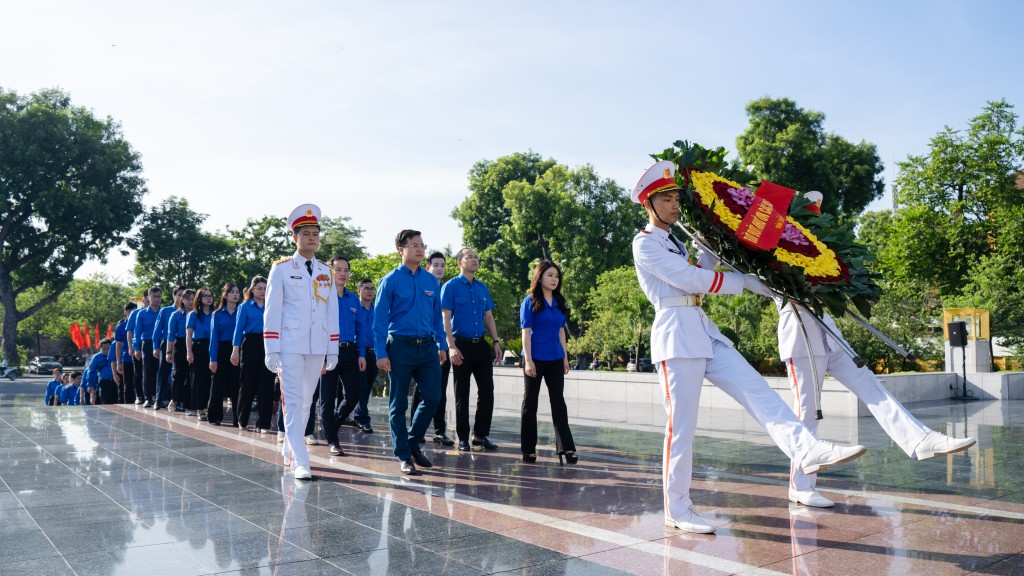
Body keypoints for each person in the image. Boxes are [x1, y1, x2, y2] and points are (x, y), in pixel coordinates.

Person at [630, 159, 867, 534]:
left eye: (677, 196)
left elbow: (704, 266)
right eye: (667, 198)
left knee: (758, 391)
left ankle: (805, 449)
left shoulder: (677, 240)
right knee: (682, 429)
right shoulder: (644, 244)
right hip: (676, 337)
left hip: (703, 331)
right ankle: (678, 509)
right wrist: (744, 282)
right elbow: (690, 278)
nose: (675, 204)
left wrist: (714, 241)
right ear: (649, 202)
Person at [775, 192, 975, 508]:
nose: (815, 221)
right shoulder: (776, 250)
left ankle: (920, 439)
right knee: (807, 413)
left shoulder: (821, 248)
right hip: (800, 337)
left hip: (830, 335)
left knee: (871, 386)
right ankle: (800, 486)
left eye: (816, 216)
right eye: (809, 216)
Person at [264, 204, 340, 481]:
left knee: (307, 401)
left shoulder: (325, 271)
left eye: (315, 233)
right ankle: (301, 460)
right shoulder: (282, 270)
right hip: (289, 344)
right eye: (306, 233)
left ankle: (289, 448)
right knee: (294, 401)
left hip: (317, 345)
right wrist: (271, 348)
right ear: (294, 238)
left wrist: (333, 348)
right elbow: (272, 311)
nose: (311, 238)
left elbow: (332, 311)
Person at [373, 229, 448, 475]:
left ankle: (412, 441)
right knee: (398, 404)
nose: (420, 249)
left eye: (422, 245)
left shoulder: (430, 281)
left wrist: (442, 344)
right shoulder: (390, 281)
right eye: (414, 245)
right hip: (400, 348)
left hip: (427, 347)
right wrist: (380, 352)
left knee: (434, 397)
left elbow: (437, 317)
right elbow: (379, 321)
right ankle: (404, 455)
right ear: (401, 249)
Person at [442, 247, 502, 452]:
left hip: (481, 346)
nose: (474, 260)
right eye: (469, 257)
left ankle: (480, 435)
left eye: (476, 257)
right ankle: (463, 437)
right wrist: (451, 346)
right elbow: (445, 318)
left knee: (487, 391)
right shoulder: (450, 287)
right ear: (459, 262)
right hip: (461, 346)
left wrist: (496, 342)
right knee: (462, 394)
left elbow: (489, 317)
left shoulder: (482, 287)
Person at [520, 260, 577, 465]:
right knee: (530, 403)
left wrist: (565, 358)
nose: (554, 279)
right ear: (540, 277)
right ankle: (528, 449)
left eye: (557, 276)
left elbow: (561, 331)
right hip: (535, 358)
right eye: (550, 275)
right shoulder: (530, 301)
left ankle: (566, 448)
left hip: (554, 357)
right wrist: (528, 361)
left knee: (558, 402)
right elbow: (525, 332)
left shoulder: (560, 302)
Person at [410, 251, 454, 446]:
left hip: (441, 348)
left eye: (442, 265)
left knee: (440, 391)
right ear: (428, 266)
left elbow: (444, 323)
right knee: (420, 391)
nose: (439, 269)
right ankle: (415, 430)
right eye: (435, 265)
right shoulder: (421, 287)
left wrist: (444, 346)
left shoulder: (445, 289)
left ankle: (439, 431)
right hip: (422, 347)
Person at [320, 256, 362, 457]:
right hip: (327, 350)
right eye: (338, 270)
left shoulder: (354, 298)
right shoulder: (322, 296)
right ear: (330, 272)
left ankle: (331, 427)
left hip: (349, 351)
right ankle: (333, 441)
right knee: (327, 398)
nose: (343, 274)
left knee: (353, 395)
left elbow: (361, 328)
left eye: (346, 270)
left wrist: (361, 353)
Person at [233, 276, 276, 434]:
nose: (263, 291)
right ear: (252, 290)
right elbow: (238, 330)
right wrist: (235, 350)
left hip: (268, 344)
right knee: (247, 383)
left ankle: (264, 423)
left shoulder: (272, 306)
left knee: (267, 384)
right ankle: (242, 419)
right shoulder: (244, 307)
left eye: (265, 288)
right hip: (250, 344)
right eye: (259, 288)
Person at [208, 283, 241, 427]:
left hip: (238, 349)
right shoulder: (217, 314)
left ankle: (237, 417)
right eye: (232, 292)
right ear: (225, 295)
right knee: (217, 384)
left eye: (237, 292)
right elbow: (214, 337)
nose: (235, 295)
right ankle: (215, 416)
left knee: (237, 384)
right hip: (222, 349)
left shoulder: (242, 310)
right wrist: (213, 359)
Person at [152, 285, 185, 410]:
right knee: (163, 372)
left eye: (184, 295)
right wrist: (155, 347)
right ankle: (159, 400)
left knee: (179, 374)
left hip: (182, 344)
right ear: (174, 295)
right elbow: (157, 330)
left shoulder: (189, 311)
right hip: (167, 343)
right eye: (179, 294)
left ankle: (179, 401)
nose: (181, 297)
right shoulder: (165, 311)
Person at [187, 287, 215, 422]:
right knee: (198, 379)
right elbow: (188, 334)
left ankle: (211, 406)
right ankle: (199, 408)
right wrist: (189, 351)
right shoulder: (193, 315)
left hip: (213, 346)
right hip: (198, 347)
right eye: (205, 296)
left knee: (212, 379)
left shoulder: (215, 314)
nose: (209, 298)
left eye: (210, 296)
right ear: (199, 298)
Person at [353, 279, 377, 434]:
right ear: (359, 291)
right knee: (360, 386)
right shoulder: (355, 308)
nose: (369, 291)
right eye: (366, 288)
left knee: (367, 387)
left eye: (372, 288)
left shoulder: (377, 309)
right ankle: (363, 419)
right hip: (358, 353)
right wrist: (360, 353)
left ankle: (357, 414)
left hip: (374, 354)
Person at [166, 289, 195, 414]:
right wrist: (168, 352)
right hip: (180, 345)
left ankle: (189, 405)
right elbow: (170, 335)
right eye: (187, 299)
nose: (190, 301)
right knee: (178, 374)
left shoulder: (197, 314)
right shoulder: (176, 315)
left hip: (194, 345)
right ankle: (174, 399)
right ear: (182, 300)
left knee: (191, 376)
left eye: (193, 298)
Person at [132, 286, 162, 408]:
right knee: (147, 372)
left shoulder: (164, 312)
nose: (156, 299)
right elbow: (137, 332)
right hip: (147, 344)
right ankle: (148, 398)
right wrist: (136, 348)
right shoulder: (141, 314)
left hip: (161, 344)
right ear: (148, 298)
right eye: (154, 296)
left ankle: (160, 398)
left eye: (159, 296)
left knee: (161, 372)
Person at [126, 289, 149, 404]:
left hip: (152, 346)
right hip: (138, 346)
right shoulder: (135, 313)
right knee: (139, 371)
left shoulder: (160, 311)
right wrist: (131, 347)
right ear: (144, 298)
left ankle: (151, 395)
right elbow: (129, 331)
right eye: (149, 296)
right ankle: (139, 395)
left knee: (151, 372)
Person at [114, 302, 138, 404]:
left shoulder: (140, 323)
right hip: (127, 359)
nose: (132, 313)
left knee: (140, 382)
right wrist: (118, 362)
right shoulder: (121, 326)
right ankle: (128, 405)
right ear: (125, 313)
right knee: (127, 385)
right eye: (129, 311)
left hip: (140, 357)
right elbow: (118, 346)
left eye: (134, 311)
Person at [86, 339, 118, 405]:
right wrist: (90, 385)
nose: (106, 351)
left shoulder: (117, 354)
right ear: (100, 349)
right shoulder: (96, 358)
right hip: (104, 383)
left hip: (117, 382)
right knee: (106, 404)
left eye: (108, 348)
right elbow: (91, 372)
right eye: (104, 349)